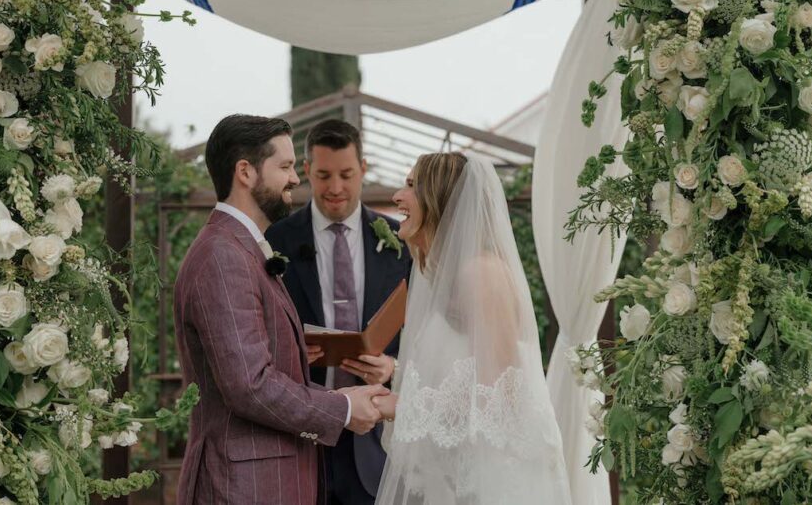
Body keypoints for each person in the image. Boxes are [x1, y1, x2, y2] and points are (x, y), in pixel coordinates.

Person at [173, 114, 389, 504]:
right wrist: (340, 408)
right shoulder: (223, 255)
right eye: (286, 166)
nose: (294, 179)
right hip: (246, 488)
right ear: (245, 172)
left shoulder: (241, 247)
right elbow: (249, 386)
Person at [374, 152, 572, 504]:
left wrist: (403, 407)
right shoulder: (444, 278)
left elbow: (501, 400)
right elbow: (461, 372)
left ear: (439, 199)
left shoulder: (481, 274)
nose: (396, 197)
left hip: (489, 484)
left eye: (409, 186)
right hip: (453, 481)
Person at [267, 119, 412, 505]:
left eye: (346, 174)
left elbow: (426, 334)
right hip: (301, 437)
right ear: (306, 172)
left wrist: (392, 367)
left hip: (377, 440)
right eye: (324, 175)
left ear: (364, 168)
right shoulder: (274, 240)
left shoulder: (402, 241)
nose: (335, 188)